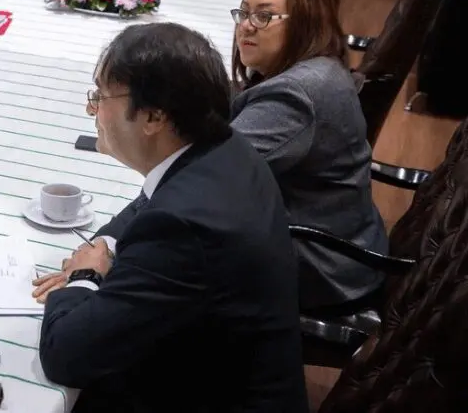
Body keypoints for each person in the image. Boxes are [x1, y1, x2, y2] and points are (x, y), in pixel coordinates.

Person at [34, 23, 306, 413]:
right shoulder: (222, 148)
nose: (91, 108)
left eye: (102, 95)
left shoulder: (183, 227)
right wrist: (104, 246)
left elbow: (65, 357)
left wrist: (84, 277)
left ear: (154, 117)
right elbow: (146, 202)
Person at [228, 0, 388, 312]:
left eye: (264, 16)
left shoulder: (294, 94)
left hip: (322, 268)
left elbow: (208, 172)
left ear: (304, 25)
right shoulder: (318, 67)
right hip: (347, 237)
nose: (246, 25)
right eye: (243, 12)